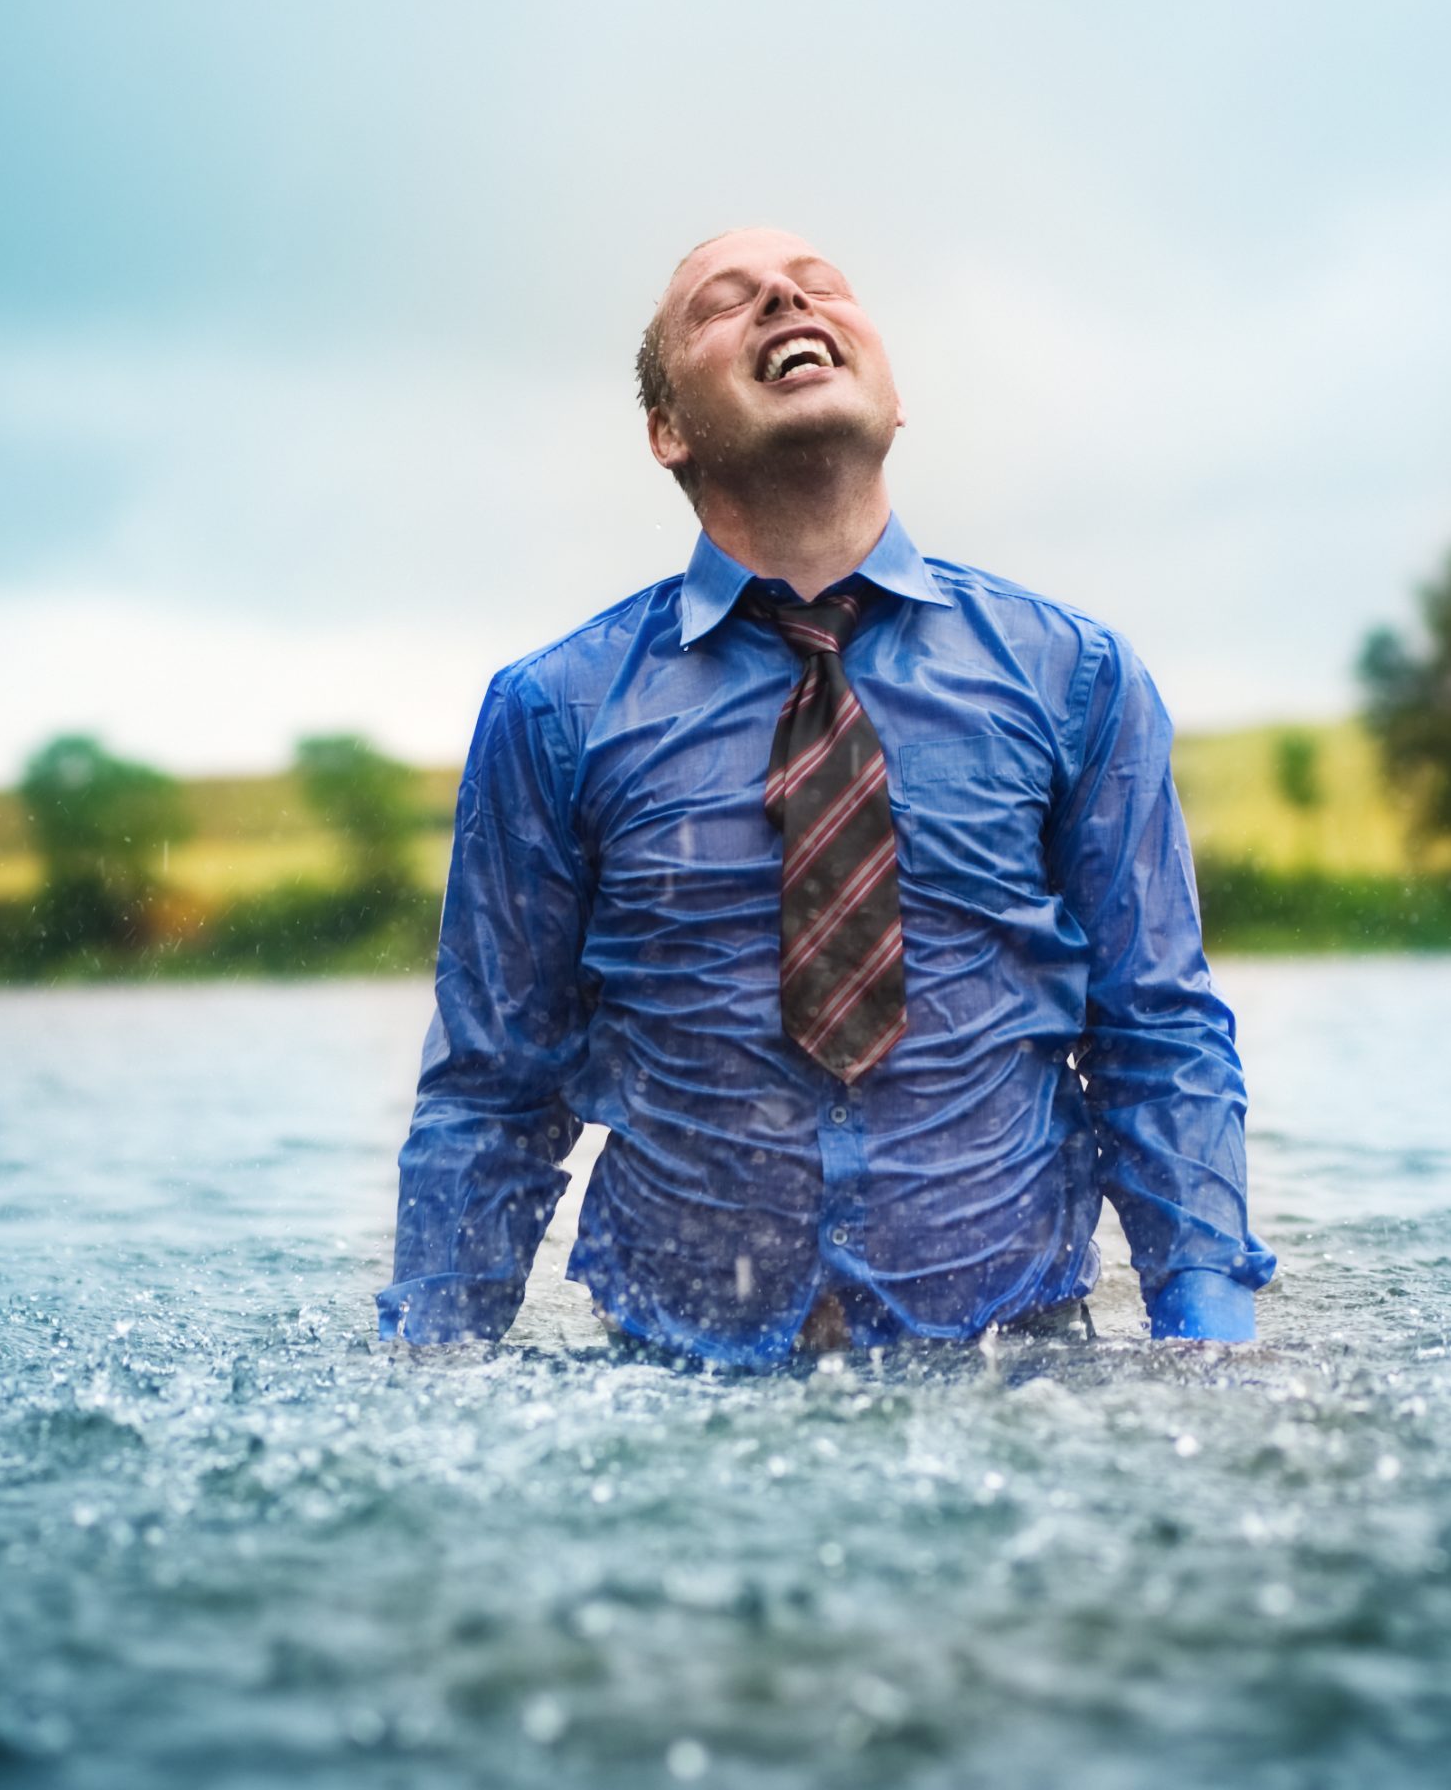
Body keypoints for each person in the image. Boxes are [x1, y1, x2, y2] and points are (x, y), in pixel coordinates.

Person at [379, 227, 1273, 1362]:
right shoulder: (553, 711)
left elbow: (1157, 1034)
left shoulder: (1076, 676)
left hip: (1014, 1371)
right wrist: (428, 1379)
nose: (786, 299)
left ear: (894, 401)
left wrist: (1212, 1351)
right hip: (674, 1391)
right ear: (667, 430)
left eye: (822, 288)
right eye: (724, 302)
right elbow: (493, 1089)